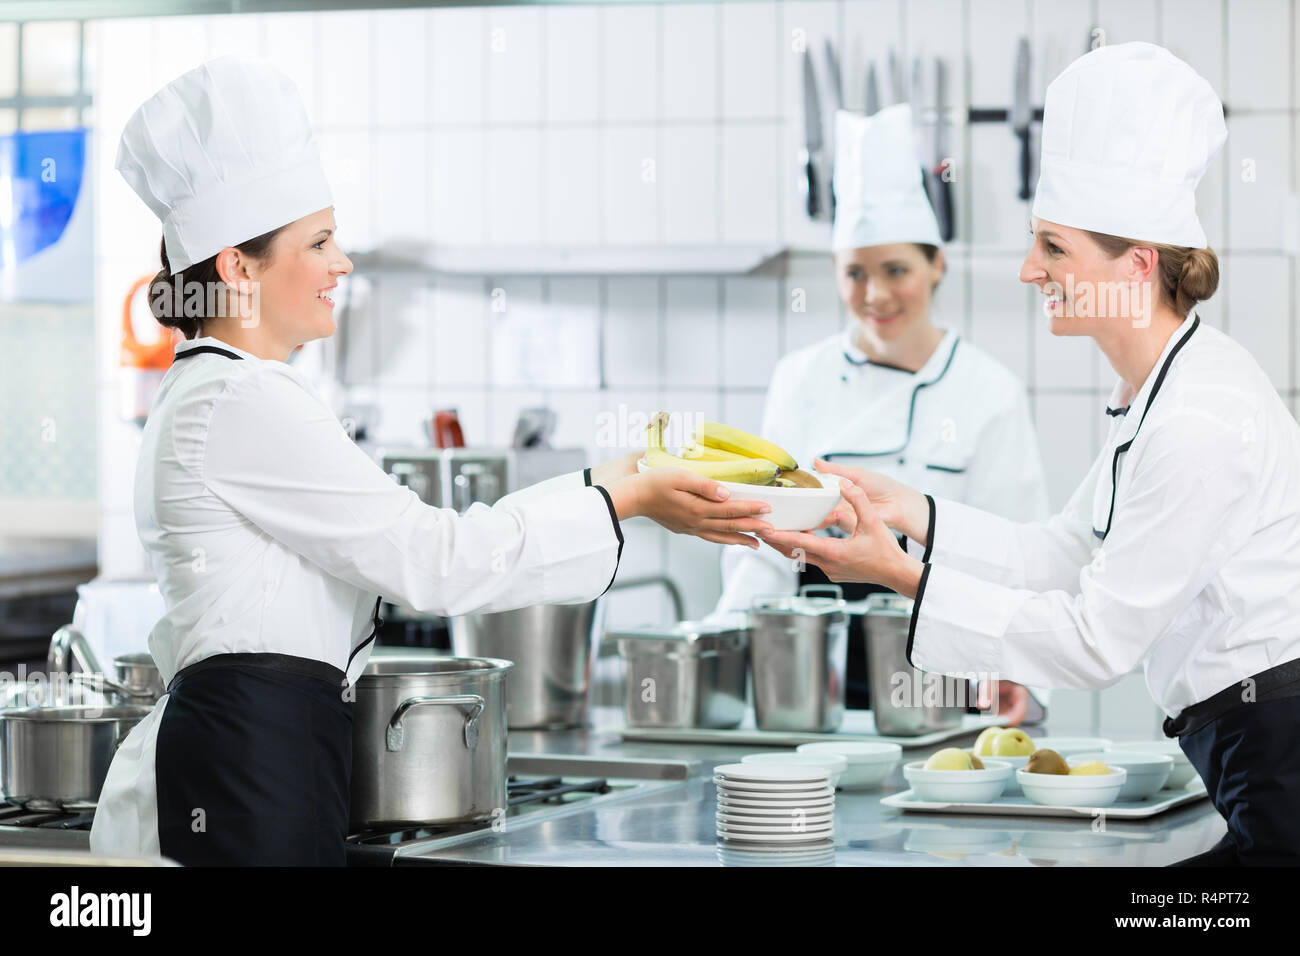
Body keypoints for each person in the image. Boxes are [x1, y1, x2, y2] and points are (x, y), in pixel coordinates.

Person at [89, 56, 773, 866]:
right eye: (318, 242)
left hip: (263, 759)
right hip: (243, 772)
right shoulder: (238, 403)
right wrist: (622, 499)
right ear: (239, 268)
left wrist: (612, 485)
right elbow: (435, 561)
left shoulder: (229, 392)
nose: (342, 263)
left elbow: (418, 549)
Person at [759, 42, 1300, 866]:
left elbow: (1095, 642)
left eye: (1053, 248)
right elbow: (1065, 551)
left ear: (1136, 266)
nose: (1027, 270)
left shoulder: (1200, 415)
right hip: (1249, 754)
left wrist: (898, 573)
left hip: (1280, 758)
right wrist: (914, 513)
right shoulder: (1157, 388)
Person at [712, 103, 1050, 723]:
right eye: (855, 273)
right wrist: (729, 655)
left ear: (937, 265)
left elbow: (1020, 548)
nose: (875, 295)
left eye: (896, 269)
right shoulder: (801, 378)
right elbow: (761, 539)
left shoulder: (987, 390)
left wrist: (1020, 677)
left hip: (947, 678)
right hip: (814, 685)